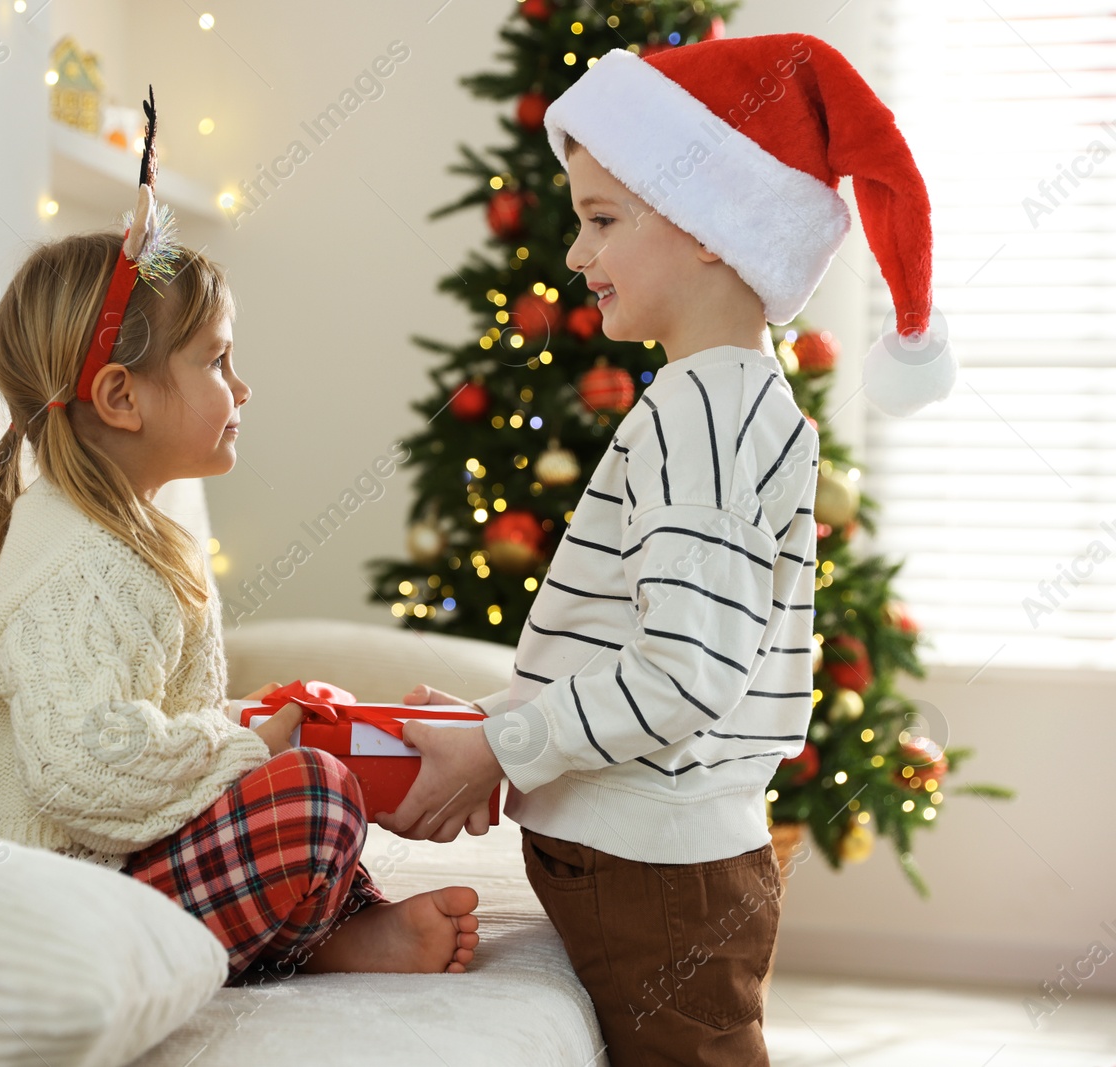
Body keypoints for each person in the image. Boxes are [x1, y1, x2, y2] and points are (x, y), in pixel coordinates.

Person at [375, 33, 953, 1063]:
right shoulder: (721, 401)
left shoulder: (707, 416)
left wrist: (501, 748)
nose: (573, 253)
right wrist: (496, 723)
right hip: (642, 855)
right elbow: (642, 645)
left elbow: (683, 671)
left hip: (657, 874)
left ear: (710, 229)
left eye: (600, 219)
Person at [0, 88, 479, 986]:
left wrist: (246, 723)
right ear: (120, 396)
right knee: (311, 795)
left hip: (105, 868)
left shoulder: (129, 540)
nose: (243, 387)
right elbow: (85, 772)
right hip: (43, 909)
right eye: (218, 360)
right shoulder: (75, 566)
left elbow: (147, 730)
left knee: (302, 777)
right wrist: (250, 749)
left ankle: (338, 927)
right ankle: (322, 936)